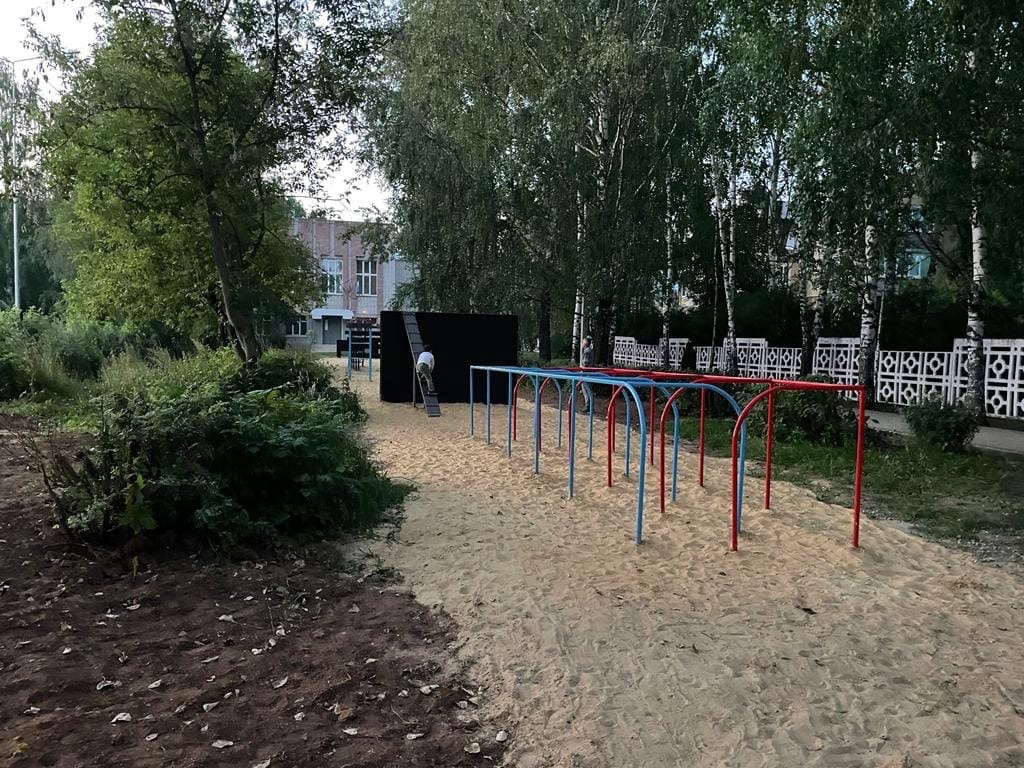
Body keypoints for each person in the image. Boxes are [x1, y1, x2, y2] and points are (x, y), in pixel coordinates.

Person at [579, 336, 594, 408]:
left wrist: (581, 366)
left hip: (586, 373)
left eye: (583, 342)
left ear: (585, 343)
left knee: (586, 390)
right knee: (588, 390)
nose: (582, 343)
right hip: (589, 373)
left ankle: (588, 406)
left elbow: (585, 363)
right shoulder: (590, 351)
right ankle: (589, 406)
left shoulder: (586, 351)